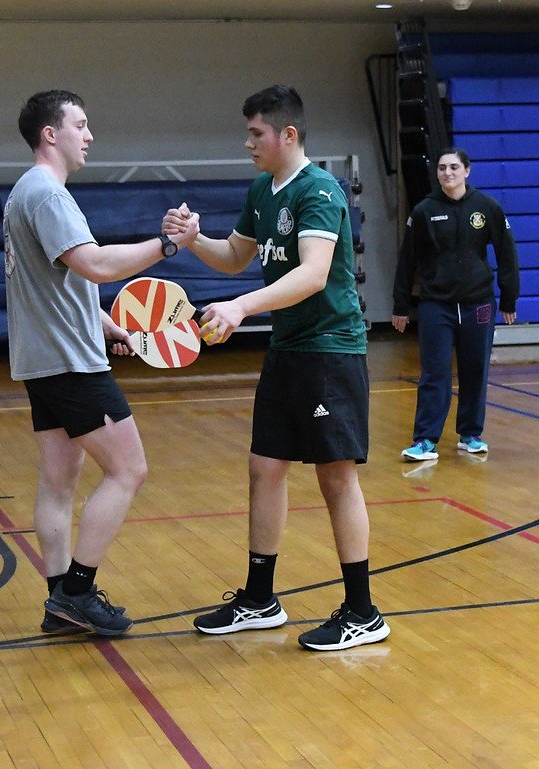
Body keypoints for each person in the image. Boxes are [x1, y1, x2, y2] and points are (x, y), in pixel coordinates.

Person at [163, 84, 389, 652]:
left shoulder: (321, 191)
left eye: (256, 133)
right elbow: (238, 257)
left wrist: (240, 306)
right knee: (265, 467)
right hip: (289, 349)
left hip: (332, 350)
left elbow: (313, 274)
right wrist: (195, 242)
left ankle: (363, 611)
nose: (248, 144)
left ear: (288, 134)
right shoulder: (263, 190)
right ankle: (260, 599)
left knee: (335, 475)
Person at [3, 90, 198, 636]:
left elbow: (56, 285)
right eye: (81, 125)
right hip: (70, 364)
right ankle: (78, 592)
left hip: (44, 359)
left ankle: (58, 598)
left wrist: (109, 326)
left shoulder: (30, 192)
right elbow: (93, 265)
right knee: (129, 469)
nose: (89, 135)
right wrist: (165, 244)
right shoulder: (46, 193)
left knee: (59, 479)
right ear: (51, 134)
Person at [392, 147, 519, 462]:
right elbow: (407, 260)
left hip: (480, 304)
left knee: (475, 369)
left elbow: (506, 254)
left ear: (467, 171)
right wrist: (401, 304)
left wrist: (509, 296)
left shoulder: (487, 207)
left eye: (453, 167)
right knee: (434, 373)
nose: (447, 173)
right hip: (437, 305)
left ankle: (471, 435)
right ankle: (425, 440)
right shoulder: (423, 211)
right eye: (441, 168)